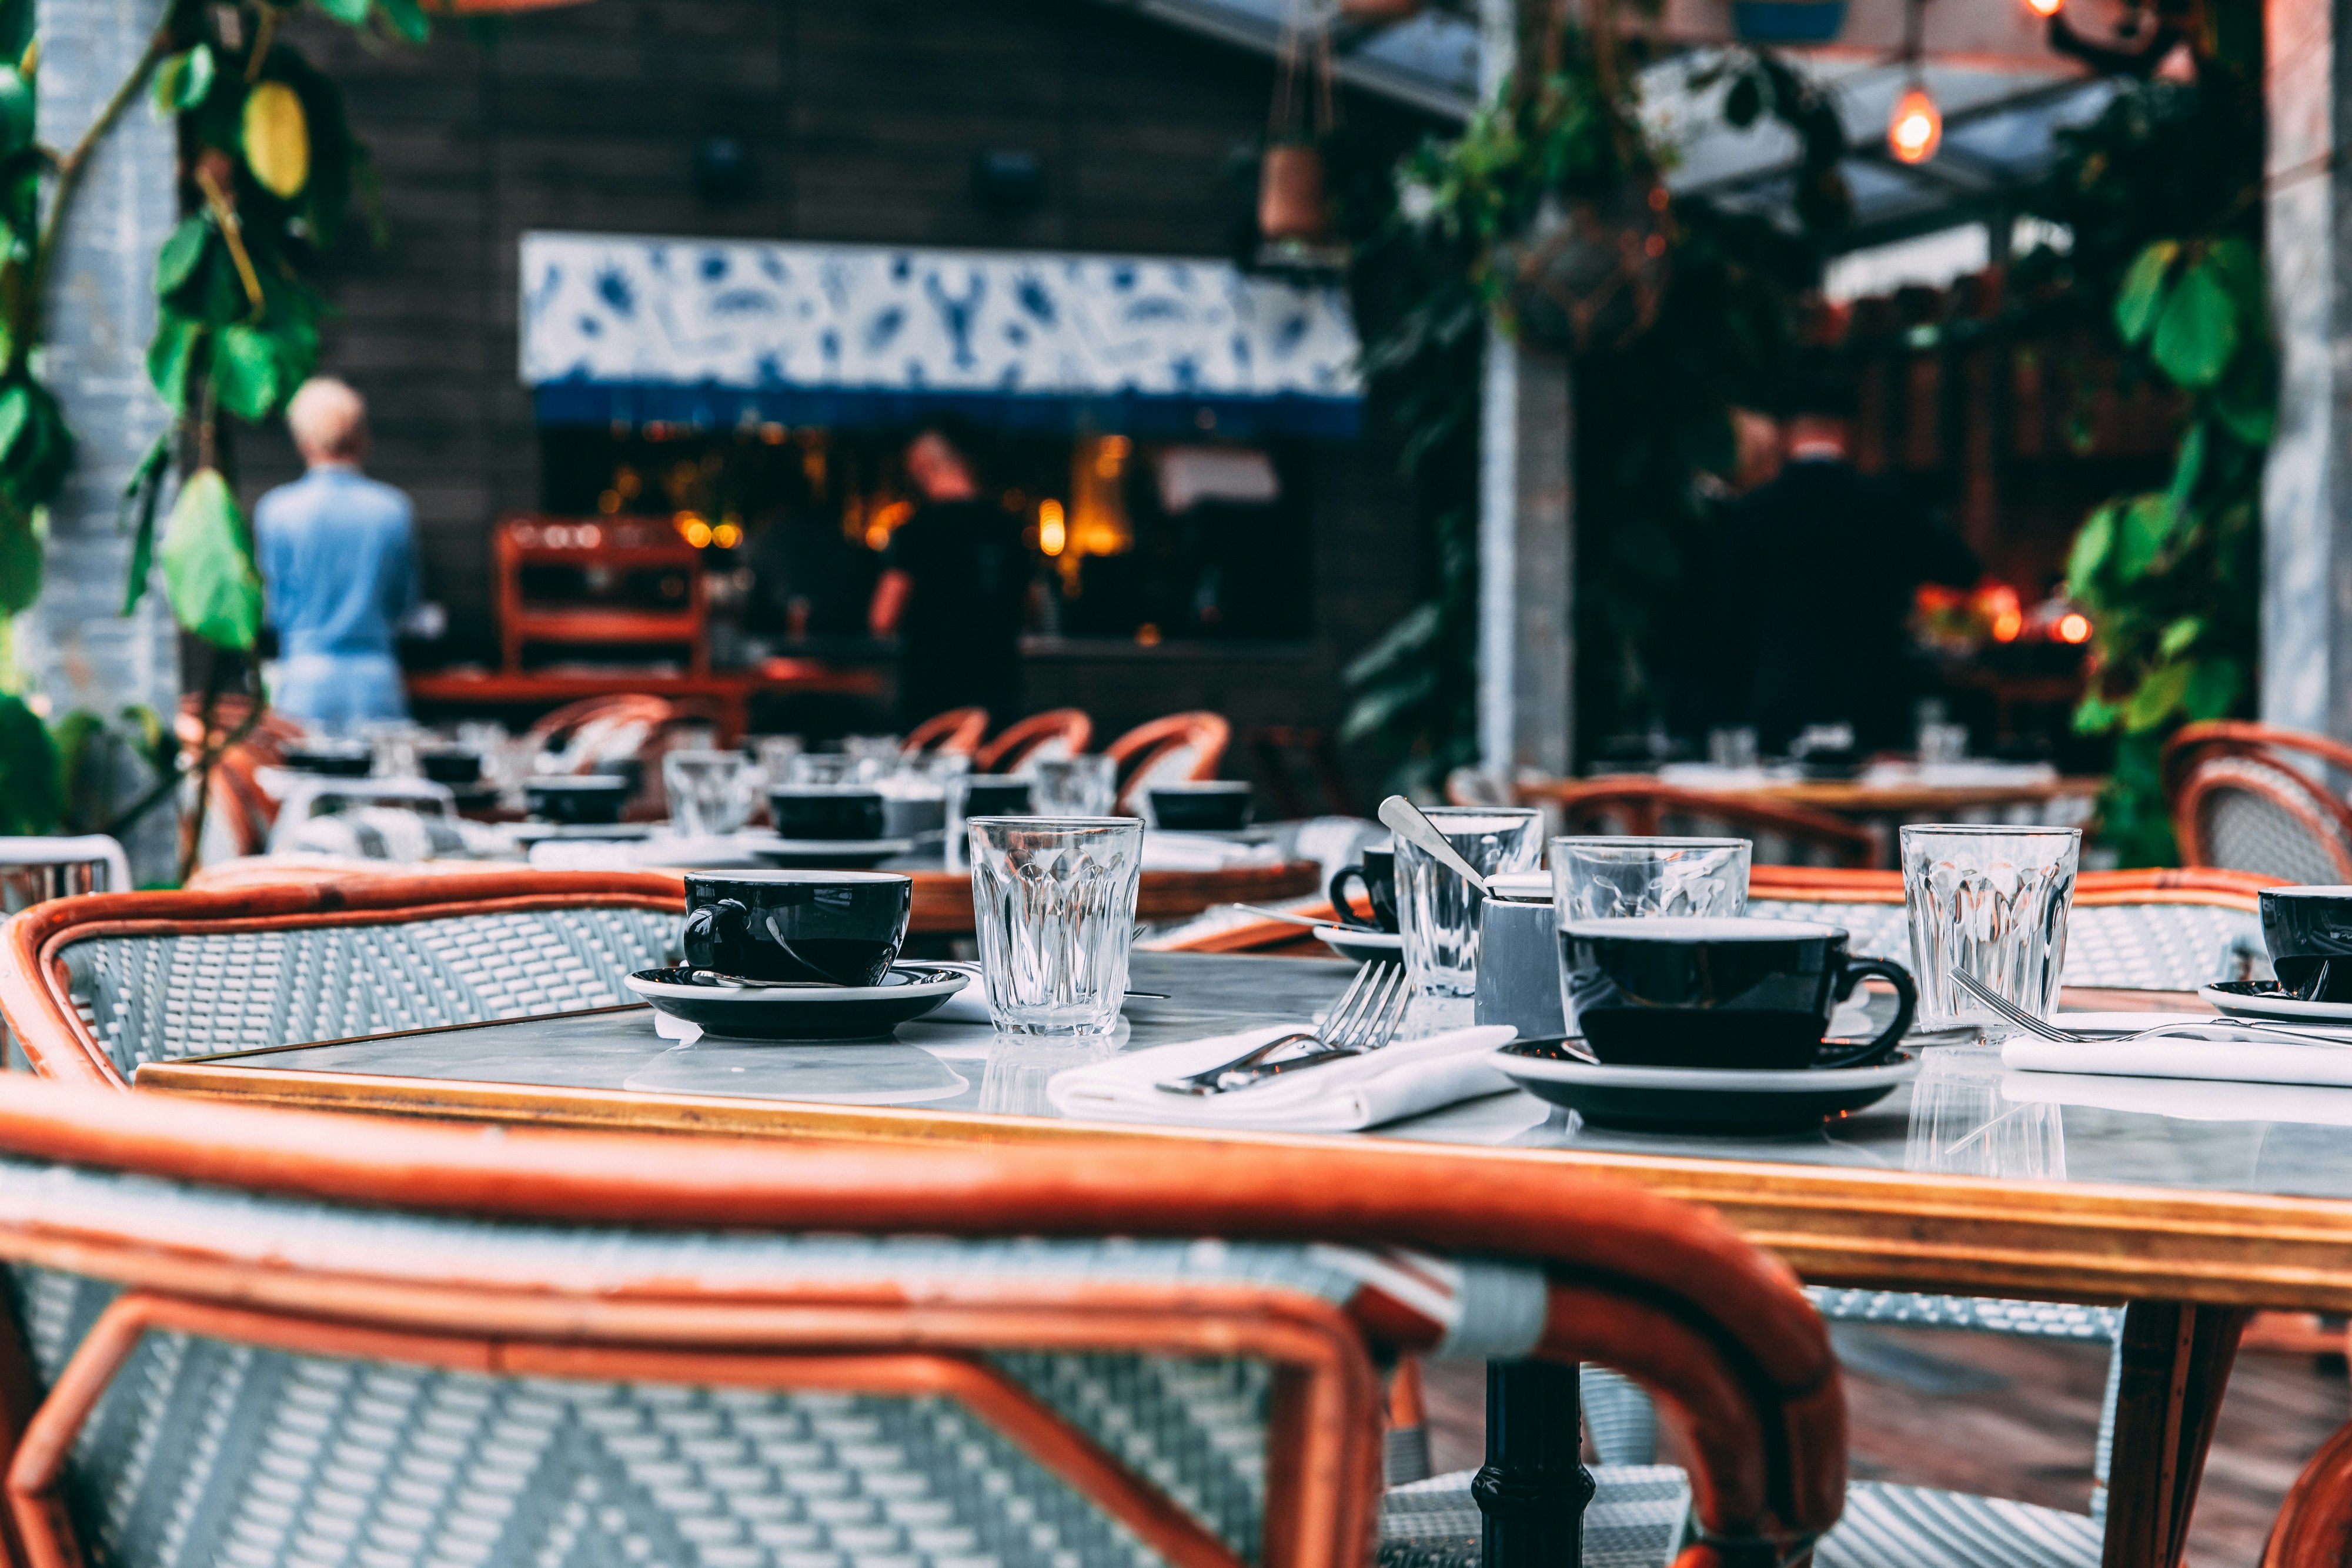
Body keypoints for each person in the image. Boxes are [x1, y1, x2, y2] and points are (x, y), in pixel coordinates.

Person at [1713, 381, 1980, 753]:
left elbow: (1729, 616)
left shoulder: (1753, 511)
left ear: (1786, 434)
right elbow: (1964, 569)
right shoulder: (1886, 503)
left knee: (1781, 810)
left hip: (1781, 698)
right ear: (1848, 431)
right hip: (1872, 699)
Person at [254, 379, 420, 727]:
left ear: (304, 442)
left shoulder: (277, 510)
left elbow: (273, 608)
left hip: (302, 682)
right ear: (362, 437)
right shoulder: (393, 509)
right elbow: (405, 605)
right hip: (378, 682)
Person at [867, 419, 1032, 727]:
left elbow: (883, 618)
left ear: (921, 465)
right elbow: (1030, 610)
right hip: (999, 689)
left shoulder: (916, 530)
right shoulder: (1008, 528)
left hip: (933, 692)